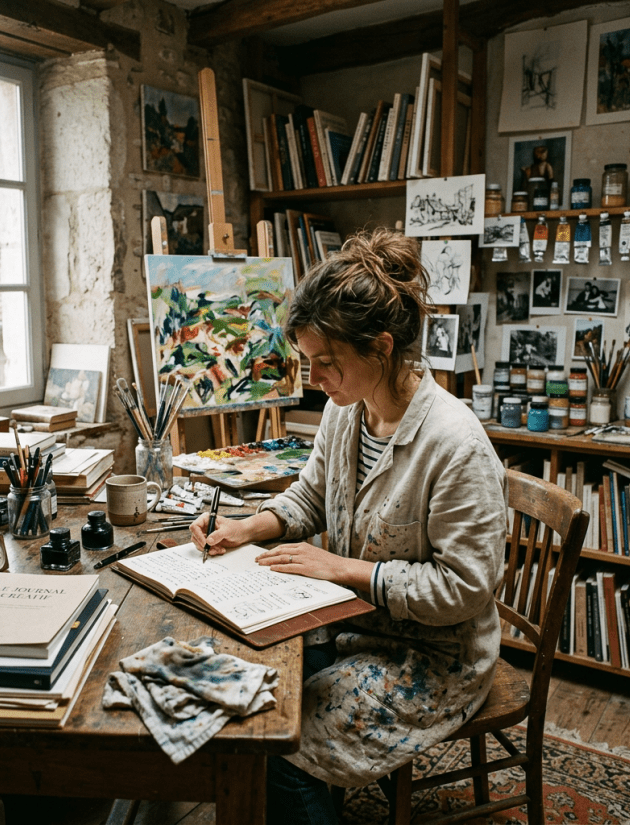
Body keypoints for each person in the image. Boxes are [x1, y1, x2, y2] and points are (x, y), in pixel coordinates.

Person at [189, 228, 508, 825]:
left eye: (327, 363)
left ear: (381, 348)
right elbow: (312, 495)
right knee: (246, 697)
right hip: (350, 626)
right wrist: (247, 526)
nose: (314, 378)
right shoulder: (347, 412)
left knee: (279, 746)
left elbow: (464, 590)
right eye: (309, 361)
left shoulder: (455, 444)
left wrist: (341, 569)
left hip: (434, 658)